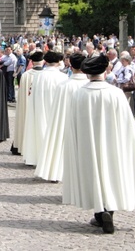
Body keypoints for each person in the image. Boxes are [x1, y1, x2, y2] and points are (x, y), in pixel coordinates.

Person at [62, 54, 135, 234]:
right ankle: (108, 212)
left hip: (87, 143)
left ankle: (100, 213)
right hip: (113, 141)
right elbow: (127, 122)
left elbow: (72, 123)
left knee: (93, 173)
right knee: (111, 173)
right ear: (106, 69)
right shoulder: (116, 93)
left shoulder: (79, 94)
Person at [35, 52, 88, 182]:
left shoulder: (64, 85)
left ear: (71, 67)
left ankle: (58, 170)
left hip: (65, 122)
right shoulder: (87, 85)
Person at [21, 50, 68, 166]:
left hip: (40, 108)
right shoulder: (63, 77)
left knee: (40, 129)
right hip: (56, 109)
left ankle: (37, 157)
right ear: (58, 63)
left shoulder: (38, 76)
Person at [11, 50, 45, 155]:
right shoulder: (45, 76)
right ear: (43, 61)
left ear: (32, 62)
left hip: (27, 105)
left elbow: (21, 95)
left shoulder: (26, 75)